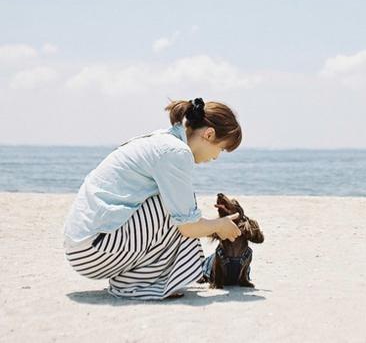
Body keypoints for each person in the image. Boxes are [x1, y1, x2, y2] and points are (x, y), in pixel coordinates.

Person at [63, 98, 242, 300]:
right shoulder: (176, 152)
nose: (217, 157)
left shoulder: (163, 140)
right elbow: (188, 227)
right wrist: (219, 225)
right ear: (209, 134)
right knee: (182, 210)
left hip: (82, 246)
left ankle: (142, 279)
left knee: (180, 203)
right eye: (221, 149)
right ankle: (134, 284)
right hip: (93, 250)